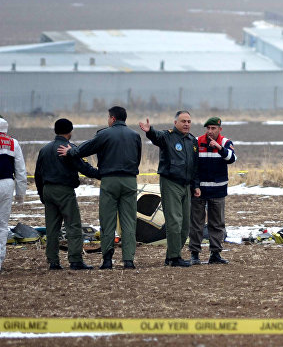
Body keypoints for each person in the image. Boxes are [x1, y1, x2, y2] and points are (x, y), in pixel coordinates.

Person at [58, 106, 142, 270]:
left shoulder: (104, 134)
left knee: (107, 220)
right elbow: (137, 158)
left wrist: (71, 152)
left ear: (112, 118)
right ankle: (128, 260)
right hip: (130, 181)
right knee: (129, 222)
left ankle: (107, 260)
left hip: (109, 180)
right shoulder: (135, 135)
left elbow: (86, 148)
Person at [35, 118, 101, 270]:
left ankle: (53, 261)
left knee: (52, 228)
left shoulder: (44, 150)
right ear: (70, 131)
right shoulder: (69, 148)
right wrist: (101, 174)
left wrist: (41, 195)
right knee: (73, 225)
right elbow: (83, 167)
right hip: (64, 191)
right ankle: (75, 260)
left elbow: (38, 175)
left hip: (47, 190)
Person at [140, 111, 199, 267]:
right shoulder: (168, 136)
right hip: (171, 183)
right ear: (175, 123)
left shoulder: (192, 141)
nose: (186, 124)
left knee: (185, 225)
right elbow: (156, 136)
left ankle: (171, 255)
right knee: (174, 222)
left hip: (186, 185)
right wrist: (150, 131)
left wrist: (196, 185)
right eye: (183, 121)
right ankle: (174, 258)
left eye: (189, 121)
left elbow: (195, 166)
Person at [188, 116, 236, 265]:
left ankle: (215, 254)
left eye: (213, 128)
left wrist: (220, 148)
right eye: (208, 128)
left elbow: (232, 158)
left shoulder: (225, 142)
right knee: (196, 223)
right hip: (199, 190)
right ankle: (194, 254)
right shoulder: (196, 141)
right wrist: (195, 186)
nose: (210, 131)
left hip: (218, 190)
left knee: (217, 223)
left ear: (219, 129)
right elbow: (192, 165)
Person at [0, 117, 28, 273]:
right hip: (6, 184)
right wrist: (20, 194)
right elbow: (21, 172)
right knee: (2, 225)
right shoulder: (13, 143)